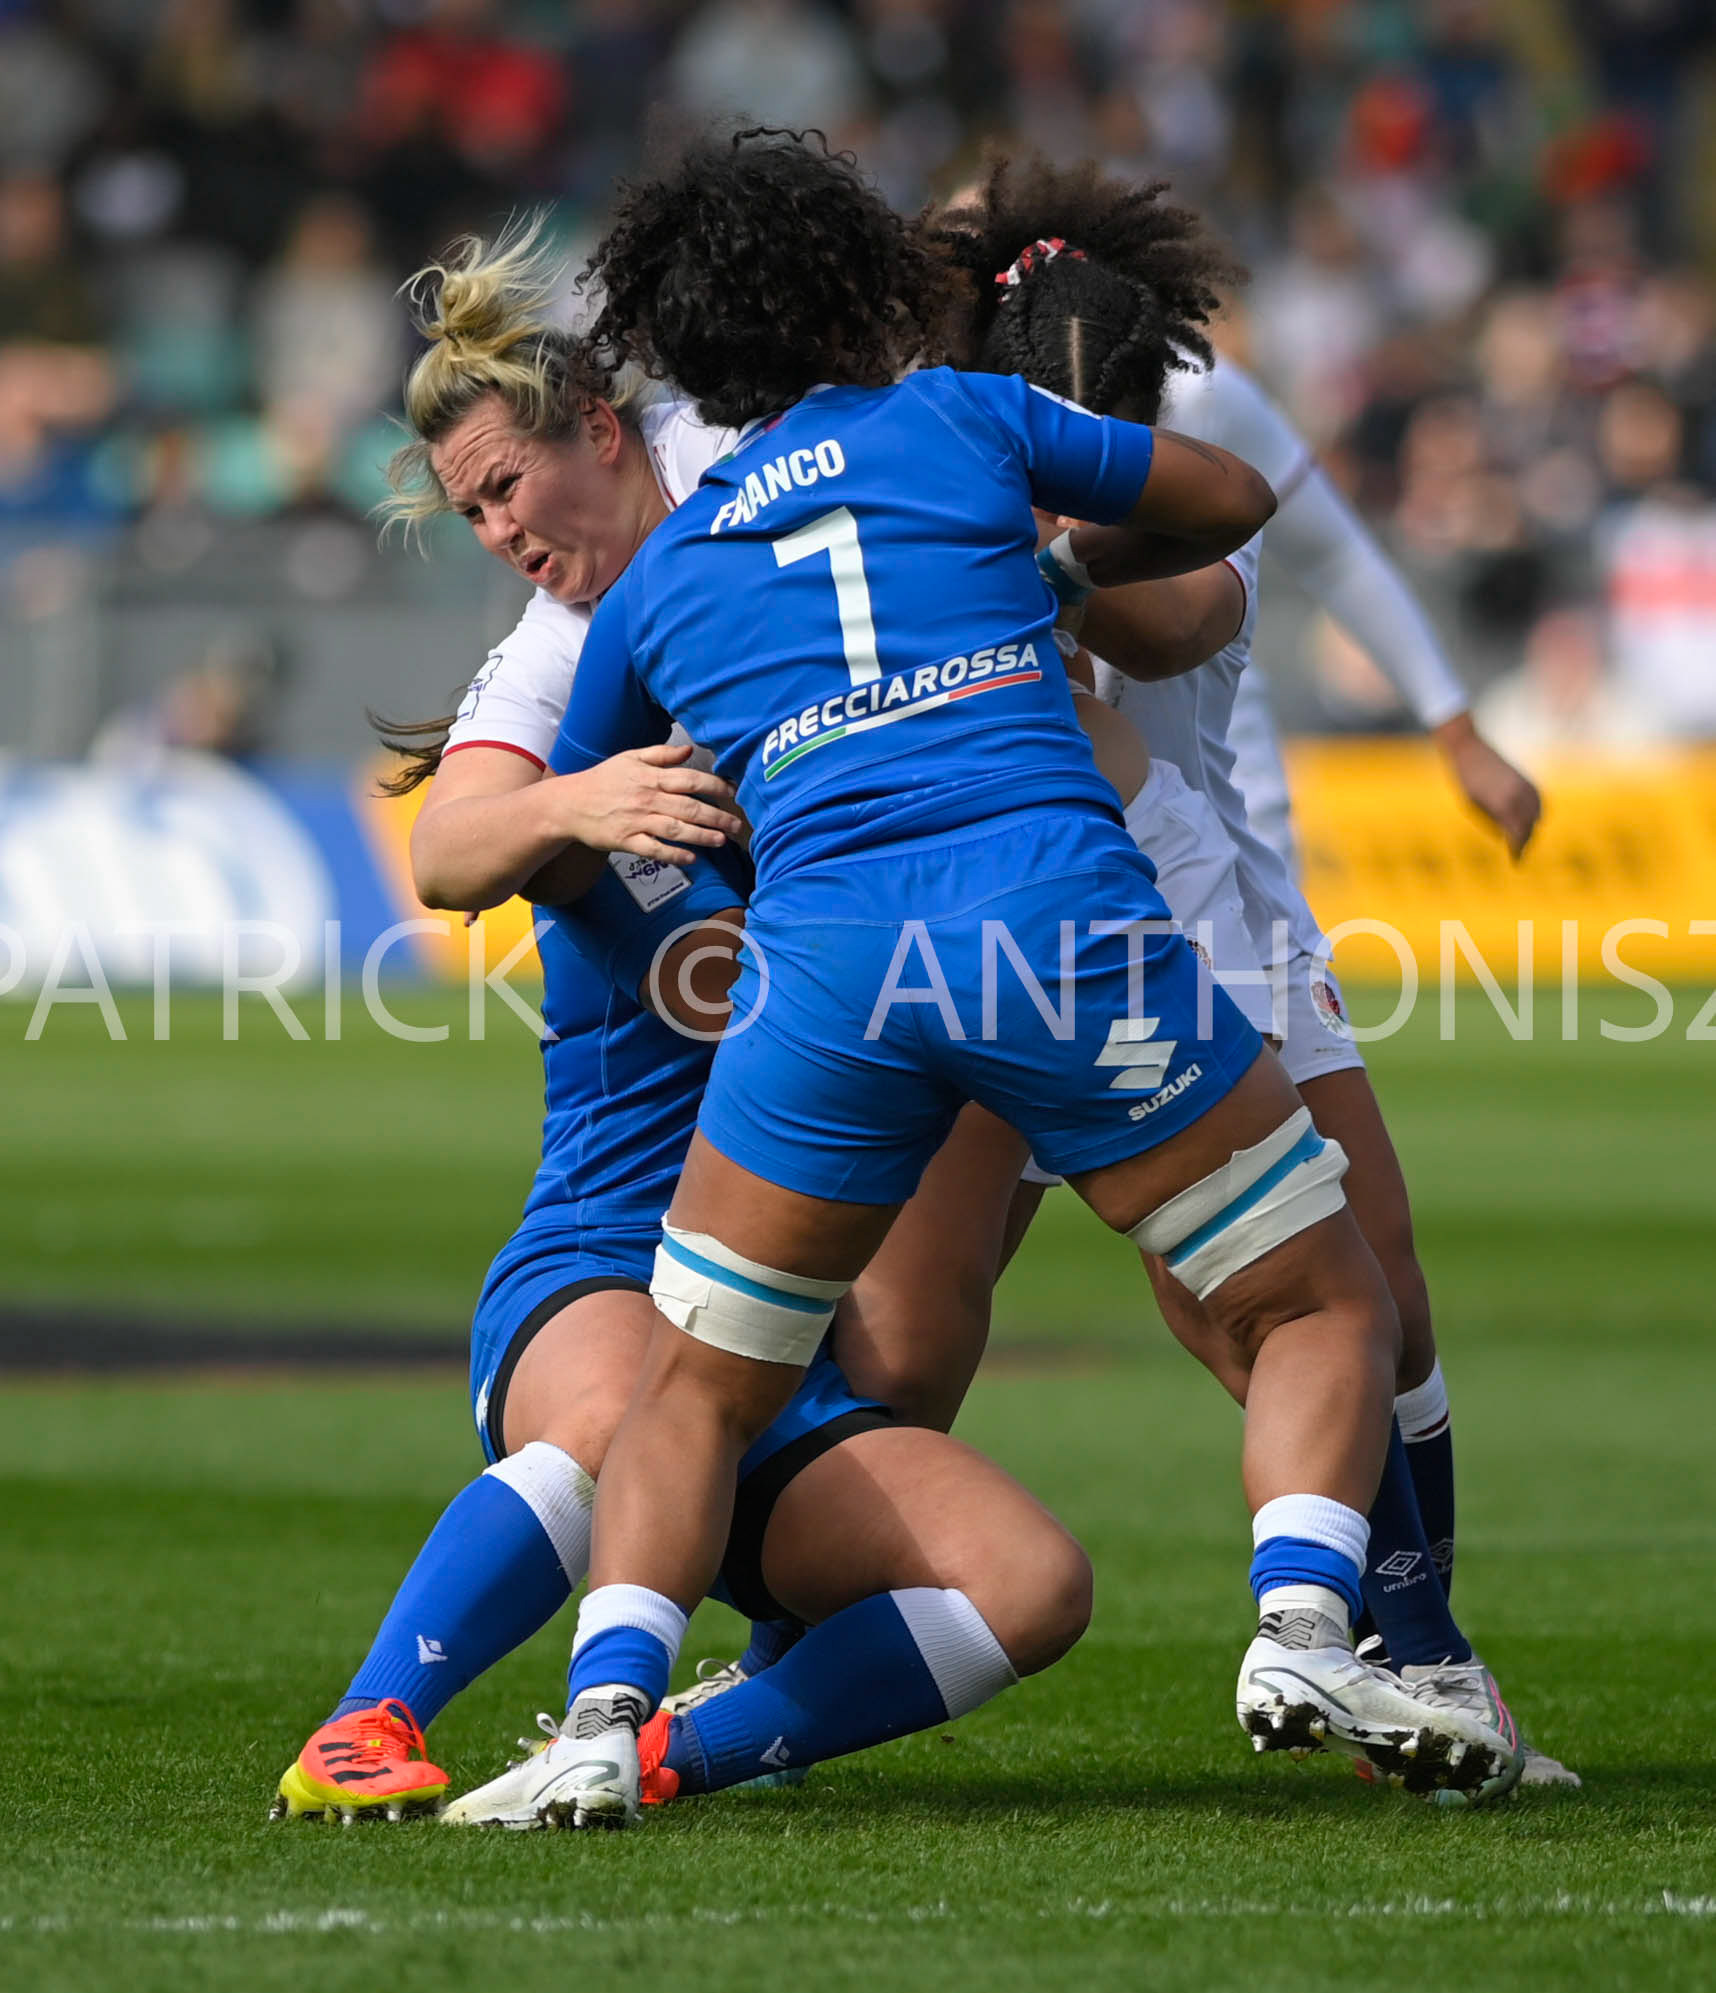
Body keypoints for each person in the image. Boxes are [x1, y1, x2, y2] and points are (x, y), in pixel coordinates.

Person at [504, 128, 1521, 1831]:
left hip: (828, 970)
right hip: (1054, 914)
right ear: (859, 282)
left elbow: (581, 814)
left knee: (707, 1381)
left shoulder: (662, 570)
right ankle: (1304, 1627)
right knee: (1317, 1299)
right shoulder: (965, 421)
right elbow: (1230, 516)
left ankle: (603, 1711)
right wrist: (1031, 558)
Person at [272, 228, 1090, 1822]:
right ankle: (368, 1722)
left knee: (1030, 1582)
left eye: (507, 490)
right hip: (604, 1260)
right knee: (629, 1402)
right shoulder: (574, 656)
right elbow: (444, 852)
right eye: (473, 512)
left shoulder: (795, 597)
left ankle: (663, 1753)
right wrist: (583, 795)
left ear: (605, 428)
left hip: (763, 1318)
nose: (500, 533)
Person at [938, 156, 1573, 1793]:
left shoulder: (1199, 447)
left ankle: (1419, 1650)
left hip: (1200, 907)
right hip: (980, 922)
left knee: (1359, 1292)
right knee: (909, 1341)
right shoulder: (924, 430)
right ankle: (778, 1655)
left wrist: (1051, 556)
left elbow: (1192, 613)